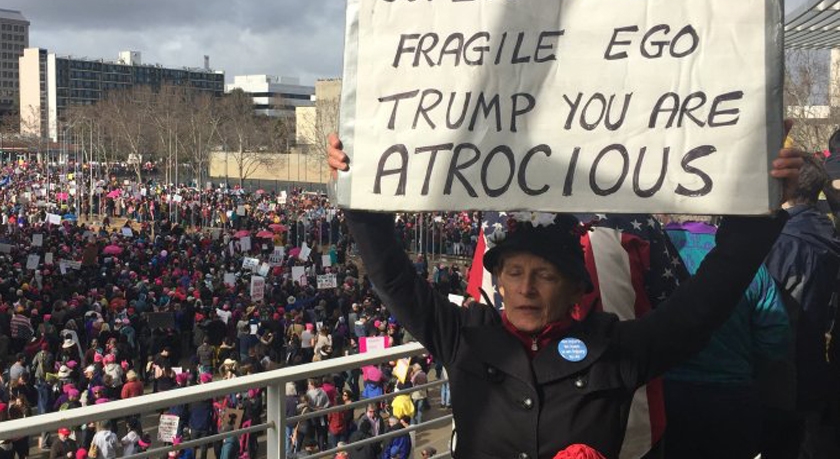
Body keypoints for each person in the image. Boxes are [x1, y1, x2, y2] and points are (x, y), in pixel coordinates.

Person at [327, 132, 801, 458]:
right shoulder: (463, 337)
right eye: (513, 273)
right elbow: (392, 278)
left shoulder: (615, 351)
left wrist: (759, 202)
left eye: (544, 276)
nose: (526, 288)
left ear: (577, 287)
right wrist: (361, 184)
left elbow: (705, 304)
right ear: (499, 281)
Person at [662, 216, 791, 459]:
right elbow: (776, 335)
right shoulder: (749, 265)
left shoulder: (647, 249)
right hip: (732, 400)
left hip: (664, 396)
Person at [762, 153, 840, 458]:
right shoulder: (824, 232)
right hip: (814, 373)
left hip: (783, 378)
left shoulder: (783, 242)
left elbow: (772, 314)